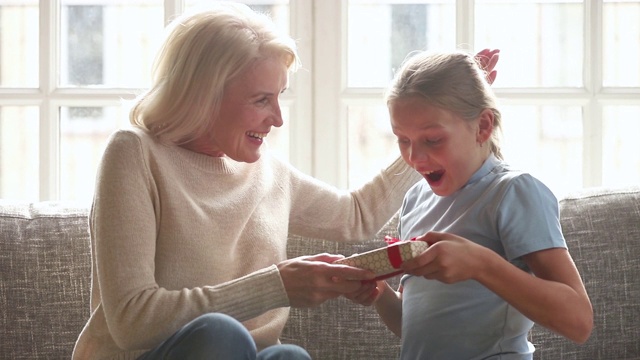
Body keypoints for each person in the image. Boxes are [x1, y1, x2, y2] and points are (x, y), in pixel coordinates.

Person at [72, 3, 499, 359]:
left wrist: (438, 129)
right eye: (261, 100)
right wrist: (276, 286)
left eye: (279, 97)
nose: (277, 119)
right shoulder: (135, 154)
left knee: (287, 357)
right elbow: (130, 322)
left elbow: (357, 216)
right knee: (223, 336)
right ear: (203, 95)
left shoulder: (268, 174)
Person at [346, 50, 593, 359]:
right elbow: (421, 330)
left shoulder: (513, 192)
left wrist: (480, 264)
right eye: (402, 140)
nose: (414, 158)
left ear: (483, 126)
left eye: (433, 140)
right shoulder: (415, 200)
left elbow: (579, 321)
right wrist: (380, 294)